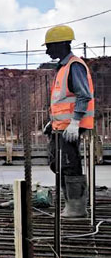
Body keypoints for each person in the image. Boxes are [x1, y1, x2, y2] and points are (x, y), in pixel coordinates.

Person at [44, 25, 94, 218]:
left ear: (62, 44)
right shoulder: (63, 68)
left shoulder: (74, 66)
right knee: (57, 163)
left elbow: (84, 95)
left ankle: (76, 207)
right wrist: (52, 122)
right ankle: (68, 203)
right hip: (60, 127)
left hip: (71, 128)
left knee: (69, 164)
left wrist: (75, 122)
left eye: (50, 46)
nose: (48, 51)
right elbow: (63, 101)